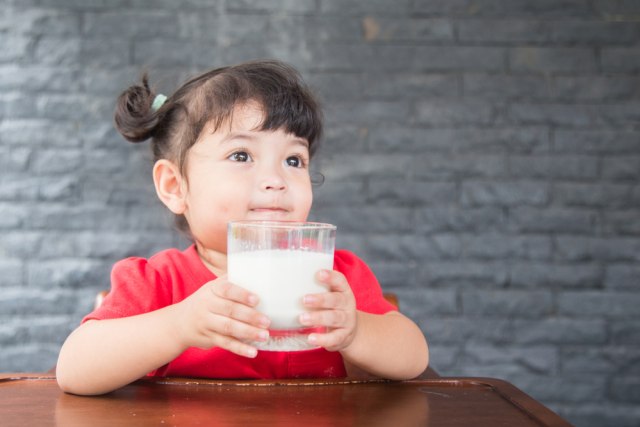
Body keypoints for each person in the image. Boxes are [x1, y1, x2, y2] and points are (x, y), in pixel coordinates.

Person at [56, 60, 428, 395]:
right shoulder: (159, 283)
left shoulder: (334, 278)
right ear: (175, 187)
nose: (276, 179)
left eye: (294, 160)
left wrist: (357, 331)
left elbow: (414, 357)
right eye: (241, 155)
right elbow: (74, 369)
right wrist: (179, 325)